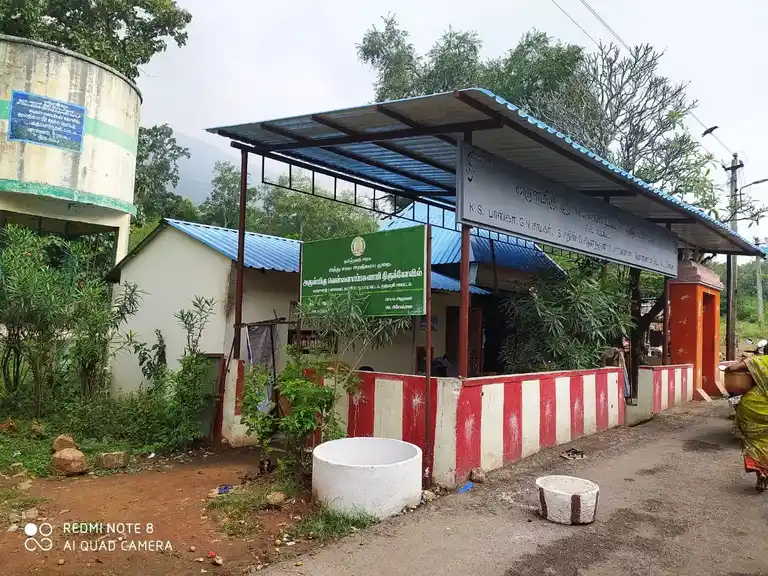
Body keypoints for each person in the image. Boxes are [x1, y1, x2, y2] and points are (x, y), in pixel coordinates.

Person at [724, 356, 768, 491]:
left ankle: (760, 472)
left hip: (751, 407)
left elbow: (732, 369)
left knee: (752, 442)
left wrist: (746, 361)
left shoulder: (760, 361)